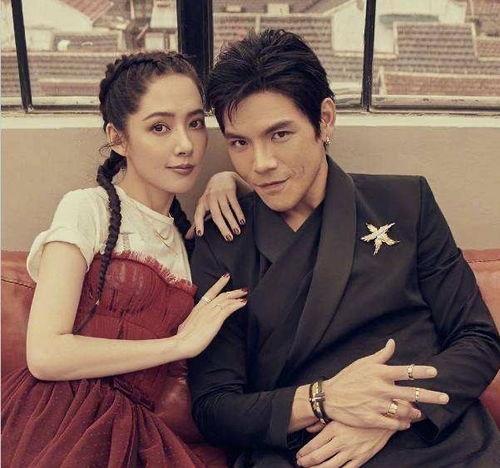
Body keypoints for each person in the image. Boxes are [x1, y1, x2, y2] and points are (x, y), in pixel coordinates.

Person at [188, 30, 500, 467]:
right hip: (306, 451)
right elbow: (214, 408)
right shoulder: (223, 241)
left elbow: (478, 340)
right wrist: (323, 399)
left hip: (437, 440)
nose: (260, 163)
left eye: (280, 134)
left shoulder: (405, 204)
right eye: (240, 142)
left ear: (325, 120)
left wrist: (388, 412)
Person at [2, 50, 249, 467]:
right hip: (56, 415)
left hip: (137, 430)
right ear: (118, 138)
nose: (185, 145)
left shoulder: (189, 242)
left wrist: (230, 178)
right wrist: (177, 345)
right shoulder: (87, 208)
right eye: (159, 127)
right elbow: (45, 354)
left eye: (195, 123)